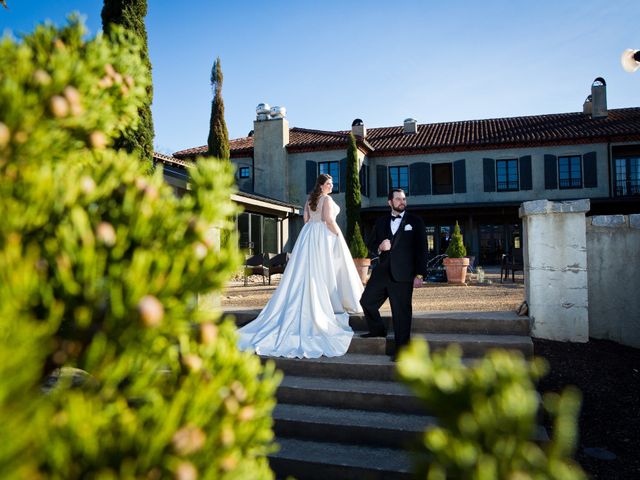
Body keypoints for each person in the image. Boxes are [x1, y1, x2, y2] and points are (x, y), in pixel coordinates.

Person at [237, 174, 364, 358]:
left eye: (331, 183)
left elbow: (306, 219)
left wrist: (314, 226)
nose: (331, 186)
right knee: (323, 270)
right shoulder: (327, 199)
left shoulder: (310, 199)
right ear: (321, 185)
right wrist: (338, 235)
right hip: (322, 235)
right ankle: (325, 301)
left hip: (308, 235)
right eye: (328, 183)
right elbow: (328, 219)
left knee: (306, 271)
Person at [359, 188, 428, 358]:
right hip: (382, 272)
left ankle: (402, 351)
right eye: (397, 199)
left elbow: (422, 250)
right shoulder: (381, 221)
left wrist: (419, 274)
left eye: (404, 199)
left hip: (404, 274)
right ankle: (378, 330)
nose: (402, 202)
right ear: (390, 202)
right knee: (367, 302)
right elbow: (370, 244)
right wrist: (379, 247)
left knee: (401, 313)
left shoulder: (415, 221)